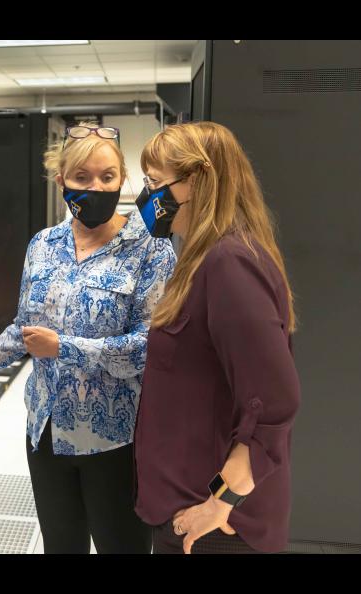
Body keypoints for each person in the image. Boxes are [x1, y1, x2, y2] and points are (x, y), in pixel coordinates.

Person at [0, 123, 176, 553]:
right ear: (61, 182)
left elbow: (150, 349)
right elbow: (23, 330)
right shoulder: (43, 245)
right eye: (82, 178)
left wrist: (65, 347)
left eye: (107, 176)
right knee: (61, 546)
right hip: (46, 430)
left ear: (122, 178)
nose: (96, 186)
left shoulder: (151, 251)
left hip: (113, 439)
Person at [133, 121, 301, 554]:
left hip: (215, 527)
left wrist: (220, 501)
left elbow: (273, 405)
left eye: (155, 183)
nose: (147, 196)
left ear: (195, 183)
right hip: (185, 506)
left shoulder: (229, 262)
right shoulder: (203, 258)